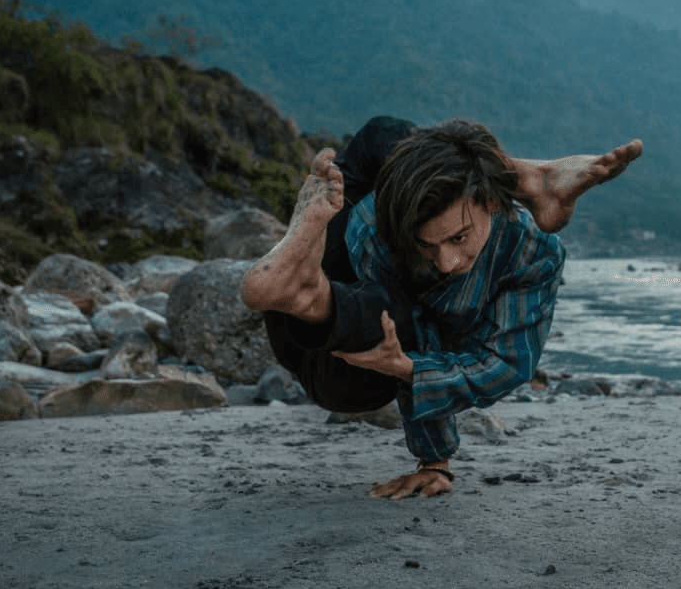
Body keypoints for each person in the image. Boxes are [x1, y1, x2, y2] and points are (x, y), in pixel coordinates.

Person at [240, 116, 642, 499]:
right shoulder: (388, 223)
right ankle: (529, 178)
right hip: (313, 283)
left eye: (459, 238)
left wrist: (428, 440)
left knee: (393, 319)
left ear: (491, 202)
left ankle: (311, 294)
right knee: (385, 133)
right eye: (428, 245)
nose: (447, 261)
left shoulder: (533, 254)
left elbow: (505, 362)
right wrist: (436, 459)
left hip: (339, 358)